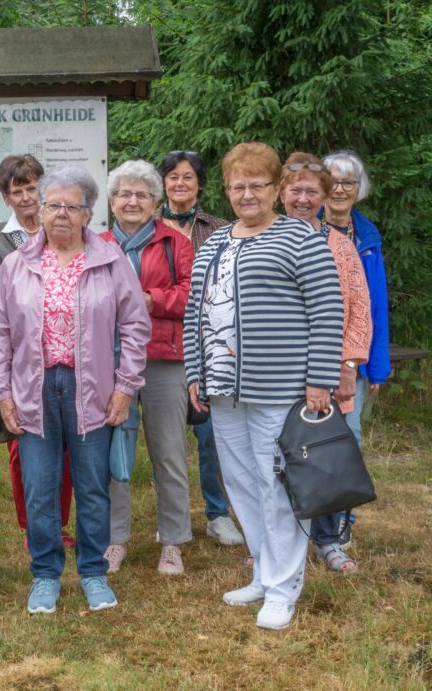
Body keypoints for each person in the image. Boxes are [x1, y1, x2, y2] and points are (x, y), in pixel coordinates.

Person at [184, 142, 343, 630]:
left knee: (277, 487)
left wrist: (320, 380)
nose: (247, 194)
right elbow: (196, 312)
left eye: (257, 185)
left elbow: (327, 309)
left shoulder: (300, 238)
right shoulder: (214, 243)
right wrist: (195, 372)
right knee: (243, 483)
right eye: (238, 186)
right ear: (227, 191)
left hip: (280, 387)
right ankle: (263, 568)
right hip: (224, 390)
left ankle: (283, 587)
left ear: (275, 189)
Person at [0, 165, 151, 614]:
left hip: (91, 387)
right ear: (39, 210)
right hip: (33, 388)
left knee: (92, 485)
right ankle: (44, 575)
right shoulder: (17, 264)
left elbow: (136, 327)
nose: (61, 214)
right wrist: (2, 391)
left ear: (87, 213)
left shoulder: (110, 261)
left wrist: (125, 387)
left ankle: (93, 572)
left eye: (71, 206)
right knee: (40, 486)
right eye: (52, 205)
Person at [100, 160, 194, 576]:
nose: (132, 201)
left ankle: (172, 541)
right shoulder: (96, 244)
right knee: (113, 454)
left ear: (156, 202)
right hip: (109, 364)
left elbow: (194, 295)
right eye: (124, 193)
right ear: (112, 201)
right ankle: (114, 539)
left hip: (162, 361)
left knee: (169, 453)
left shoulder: (177, 244)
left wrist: (152, 300)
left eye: (141, 194)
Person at [280, 152, 372, 573]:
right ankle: (274, 541)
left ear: (322, 197)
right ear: (279, 193)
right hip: (276, 371)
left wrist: (348, 366)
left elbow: (358, 308)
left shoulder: (341, 245)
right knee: (277, 457)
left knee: (330, 455)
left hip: (329, 370)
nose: (302, 199)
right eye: (294, 191)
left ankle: (329, 539)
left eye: (310, 192)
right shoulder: (266, 237)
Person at [156, 150, 245, 550]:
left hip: (212, 346)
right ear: (163, 183)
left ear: (200, 184)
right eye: (173, 177)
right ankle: (170, 516)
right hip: (162, 347)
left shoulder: (223, 229)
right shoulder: (148, 228)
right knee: (166, 441)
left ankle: (217, 513)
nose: (180, 184)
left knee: (212, 436)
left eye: (188, 177)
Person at [0, 154, 74, 548]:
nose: (25, 197)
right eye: (16, 191)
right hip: (24, 355)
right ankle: (31, 527)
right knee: (24, 447)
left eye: (30, 187)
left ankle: (60, 524)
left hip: (67, 349)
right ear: (6, 198)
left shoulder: (67, 224)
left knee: (68, 449)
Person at [321, 150, 392, 548]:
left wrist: (376, 365)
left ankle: (342, 519)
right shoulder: (305, 230)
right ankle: (306, 516)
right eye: (333, 180)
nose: (340, 189)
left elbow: (375, 305)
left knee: (349, 437)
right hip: (310, 355)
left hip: (354, 356)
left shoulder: (367, 236)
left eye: (349, 182)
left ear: (358, 189)